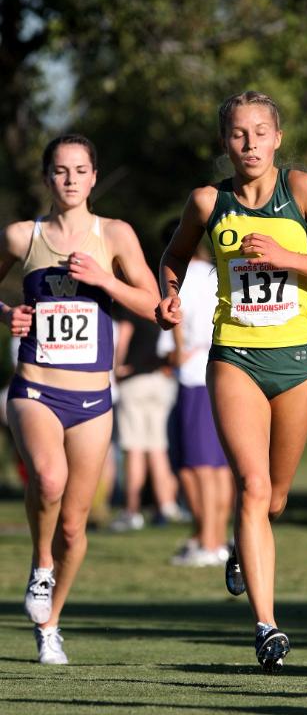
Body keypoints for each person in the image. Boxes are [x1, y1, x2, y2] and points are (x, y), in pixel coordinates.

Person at [157, 90, 307, 673]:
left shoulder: (300, 190)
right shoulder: (208, 201)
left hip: (298, 362)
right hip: (235, 358)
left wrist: (286, 256)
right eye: (237, 134)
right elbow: (172, 258)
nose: (248, 144)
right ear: (225, 142)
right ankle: (268, 626)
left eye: (259, 133)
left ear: (277, 137)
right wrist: (167, 297)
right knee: (251, 488)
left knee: (273, 497)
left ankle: (243, 551)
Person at [0, 134, 160, 665]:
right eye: (60, 171)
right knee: (47, 478)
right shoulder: (24, 236)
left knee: (75, 522)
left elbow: (153, 305)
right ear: (47, 178)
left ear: (94, 178)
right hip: (36, 388)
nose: (70, 180)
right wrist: (7, 315)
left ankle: (51, 625)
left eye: (80, 170)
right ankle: (41, 567)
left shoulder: (113, 234)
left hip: (93, 399)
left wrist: (104, 282)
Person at [164, 240, 233, 567]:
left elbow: (175, 330)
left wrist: (176, 352)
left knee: (201, 467)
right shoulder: (219, 272)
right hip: (228, 372)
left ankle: (208, 542)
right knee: (220, 468)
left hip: (195, 376)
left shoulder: (183, 280)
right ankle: (217, 539)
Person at [110, 306, 181, 531]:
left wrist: (116, 368)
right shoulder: (165, 305)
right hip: (162, 379)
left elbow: (123, 339)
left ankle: (132, 510)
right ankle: (166, 505)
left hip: (135, 379)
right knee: (158, 448)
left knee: (134, 448)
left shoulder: (129, 307)